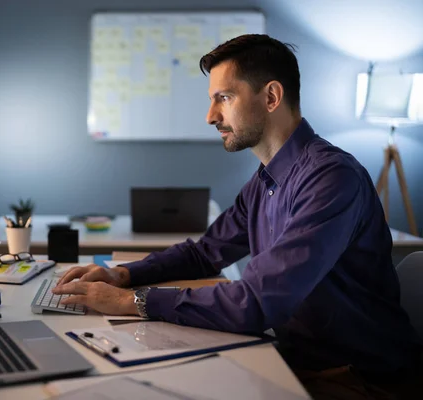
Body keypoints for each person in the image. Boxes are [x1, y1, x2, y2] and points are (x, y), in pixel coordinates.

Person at [53, 34, 422, 399]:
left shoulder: (331, 178)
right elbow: (204, 253)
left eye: (224, 98)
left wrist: (131, 301)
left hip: (358, 380)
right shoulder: (265, 181)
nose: (211, 116)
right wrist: (123, 274)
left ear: (272, 97)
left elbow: (258, 303)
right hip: (297, 359)